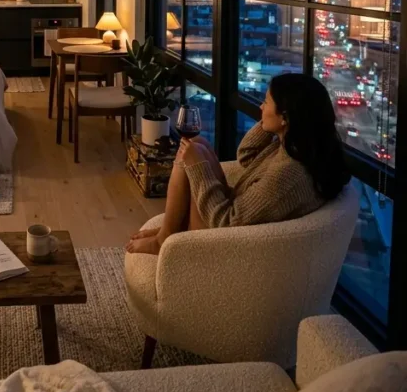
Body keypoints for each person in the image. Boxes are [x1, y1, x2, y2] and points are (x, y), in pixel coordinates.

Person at [126, 73, 350, 256]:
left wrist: (198, 168)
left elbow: (226, 222)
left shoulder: (289, 175)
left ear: (286, 117)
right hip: (233, 227)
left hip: (225, 244)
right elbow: (246, 156)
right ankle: (171, 228)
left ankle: (166, 237)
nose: (261, 107)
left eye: (266, 102)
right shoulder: (296, 146)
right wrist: (267, 125)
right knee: (197, 144)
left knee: (191, 156)